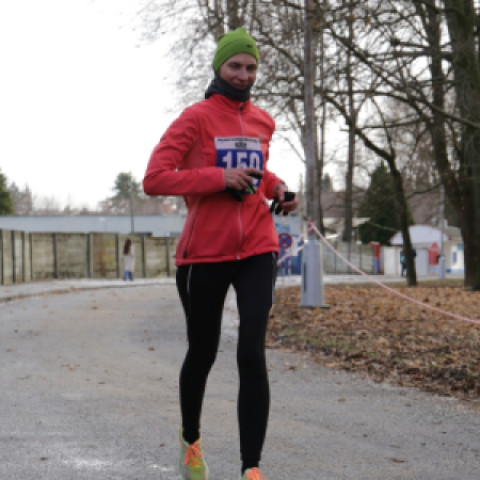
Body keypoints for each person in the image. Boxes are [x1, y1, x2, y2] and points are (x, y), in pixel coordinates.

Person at [143, 28, 298, 480]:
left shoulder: (263, 121)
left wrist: (278, 189)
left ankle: (251, 468)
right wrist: (217, 179)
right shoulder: (194, 119)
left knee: (251, 351)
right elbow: (155, 178)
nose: (243, 75)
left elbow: (259, 173)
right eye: (235, 66)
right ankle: (191, 441)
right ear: (219, 67)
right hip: (204, 253)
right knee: (203, 352)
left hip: (258, 247)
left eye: (251, 68)